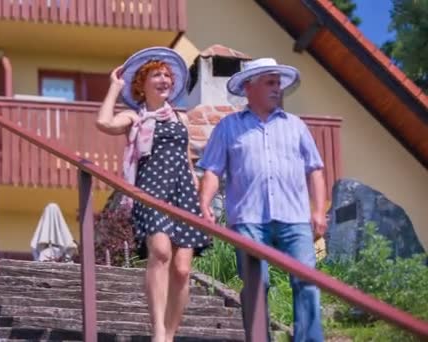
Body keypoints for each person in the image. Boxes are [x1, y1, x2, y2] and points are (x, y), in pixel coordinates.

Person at [198, 57, 327, 341]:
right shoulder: (228, 127)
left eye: (278, 83)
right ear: (249, 87)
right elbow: (212, 170)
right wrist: (205, 204)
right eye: (270, 82)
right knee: (258, 283)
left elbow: (315, 169)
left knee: (307, 281)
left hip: (295, 218)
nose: (276, 88)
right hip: (248, 220)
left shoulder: (296, 125)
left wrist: (318, 211)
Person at [95, 47, 209, 342]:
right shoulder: (135, 117)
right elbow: (104, 123)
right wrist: (114, 87)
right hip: (151, 190)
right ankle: (158, 331)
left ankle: (170, 335)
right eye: (157, 74)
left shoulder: (180, 119)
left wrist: (200, 201)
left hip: (183, 192)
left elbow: (187, 161)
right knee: (160, 252)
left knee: (183, 270)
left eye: (168, 75)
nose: (164, 79)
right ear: (141, 84)